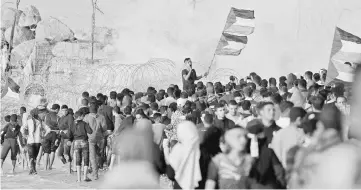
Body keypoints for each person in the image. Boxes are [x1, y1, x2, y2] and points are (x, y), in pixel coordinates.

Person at [165, 121, 202, 189]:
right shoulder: (202, 149)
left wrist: (166, 150)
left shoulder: (178, 149)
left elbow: (170, 174)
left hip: (180, 186)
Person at [83, 105, 107, 180]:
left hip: (91, 139)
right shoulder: (102, 117)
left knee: (92, 157)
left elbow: (84, 128)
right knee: (99, 155)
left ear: (90, 110)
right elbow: (104, 128)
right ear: (97, 110)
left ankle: (95, 174)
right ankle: (98, 169)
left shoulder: (86, 117)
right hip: (100, 138)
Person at [68, 111, 93, 182]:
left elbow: (69, 135)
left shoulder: (72, 124)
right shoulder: (84, 123)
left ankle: (79, 179)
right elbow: (90, 131)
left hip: (76, 142)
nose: (84, 117)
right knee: (86, 159)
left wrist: (71, 139)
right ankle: (85, 177)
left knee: (78, 160)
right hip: (84, 142)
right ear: (80, 116)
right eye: (83, 116)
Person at [43, 104, 61, 170]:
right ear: (57, 109)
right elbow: (60, 127)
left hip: (47, 133)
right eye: (58, 110)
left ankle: (45, 167)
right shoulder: (58, 117)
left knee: (46, 152)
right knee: (53, 150)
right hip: (54, 133)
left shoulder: (47, 115)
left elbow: (45, 125)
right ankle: (50, 166)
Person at [58, 105, 74, 172]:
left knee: (66, 154)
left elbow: (71, 128)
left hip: (68, 137)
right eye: (63, 110)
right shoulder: (61, 118)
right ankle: (67, 166)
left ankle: (69, 170)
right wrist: (58, 138)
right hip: (62, 137)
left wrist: (70, 139)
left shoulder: (70, 117)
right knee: (59, 154)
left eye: (66, 110)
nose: (64, 112)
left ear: (68, 110)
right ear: (61, 111)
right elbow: (59, 128)